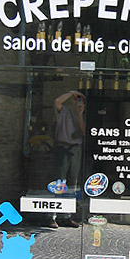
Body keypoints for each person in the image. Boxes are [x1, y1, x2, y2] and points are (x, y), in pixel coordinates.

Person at [48, 89, 85, 228]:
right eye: (76, 100)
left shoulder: (83, 115)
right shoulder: (64, 111)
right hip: (63, 147)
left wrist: (80, 114)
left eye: (80, 100)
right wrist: (71, 93)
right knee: (58, 182)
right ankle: (52, 216)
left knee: (72, 184)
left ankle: (66, 215)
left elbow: (83, 131)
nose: (78, 103)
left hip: (76, 149)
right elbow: (57, 101)